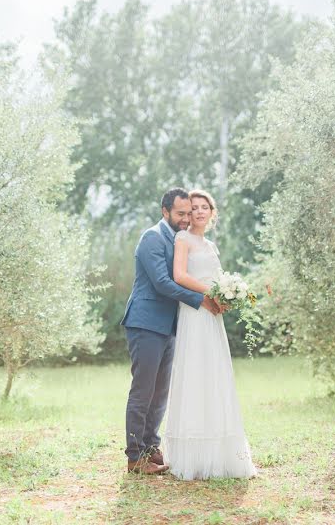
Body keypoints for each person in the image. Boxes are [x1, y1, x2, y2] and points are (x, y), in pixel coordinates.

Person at [121, 187, 223, 474]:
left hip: (168, 325)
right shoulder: (152, 238)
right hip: (145, 323)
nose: (185, 218)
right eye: (180, 213)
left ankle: (151, 446)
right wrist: (202, 300)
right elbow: (163, 283)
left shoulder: (179, 238)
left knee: (160, 391)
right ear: (165, 211)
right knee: (143, 390)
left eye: (188, 213)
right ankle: (134, 456)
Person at [164, 189, 257, 480]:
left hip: (212, 317)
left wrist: (226, 298)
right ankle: (193, 457)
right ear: (187, 214)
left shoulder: (211, 245)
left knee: (215, 375)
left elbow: (216, 278)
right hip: (194, 314)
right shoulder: (183, 239)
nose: (200, 211)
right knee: (195, 373)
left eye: (205, 207)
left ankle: (223, 455)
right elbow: (179, 276)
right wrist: (212, 292)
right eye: (194, 207)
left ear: (212, 213)